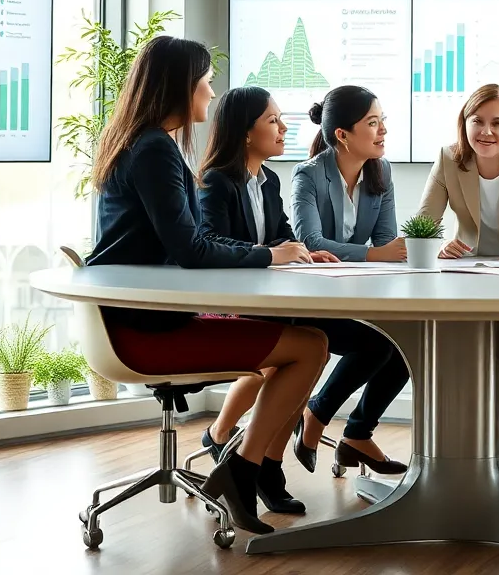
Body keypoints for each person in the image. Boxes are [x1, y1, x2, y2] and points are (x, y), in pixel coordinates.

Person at [85, 36, 329, 536]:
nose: (211, 92)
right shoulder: (155, 149)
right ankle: (243, 468)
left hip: (134, 319)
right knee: (310, 346)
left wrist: (269, 252)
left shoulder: (141, 142)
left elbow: (191, 242)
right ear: (182, 86)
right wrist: (268, 255)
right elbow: (192, 251)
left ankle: (244, 463)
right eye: (205, 81)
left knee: (305, 340)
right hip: (145, 331)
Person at [194, 85, 340, 515]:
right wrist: (273, 253)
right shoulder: (216, 181)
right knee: (302, 350)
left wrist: (303, 250)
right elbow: (209, 242)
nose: (283, 127)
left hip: (265, 298)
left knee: (312, 341)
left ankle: (253, 457)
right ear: (245, 132)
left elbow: (280, 234)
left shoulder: (268, 179)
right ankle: (257, 462)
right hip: (227, 305)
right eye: (272, 120)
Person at [415, 83, 499, 458]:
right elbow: (423, 224)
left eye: (498, 123)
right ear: (464, 123)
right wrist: (438, 245)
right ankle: (462, 424)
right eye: (477, 121)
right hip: (465, 266)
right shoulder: (449, 158)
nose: (486, 131)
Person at [288, 85, 411, 475]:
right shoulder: (309, 175)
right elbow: (311, 241)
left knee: (408, 342)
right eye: (373, 123)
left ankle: (357, 434)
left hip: (357, 294)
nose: (383, 130)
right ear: (342, 134)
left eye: (382, 121)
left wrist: (391, 253)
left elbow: (387, 241)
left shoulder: (381, 171)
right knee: (379, 345)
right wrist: (376, 255)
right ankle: (317, 415)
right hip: (312, 299)